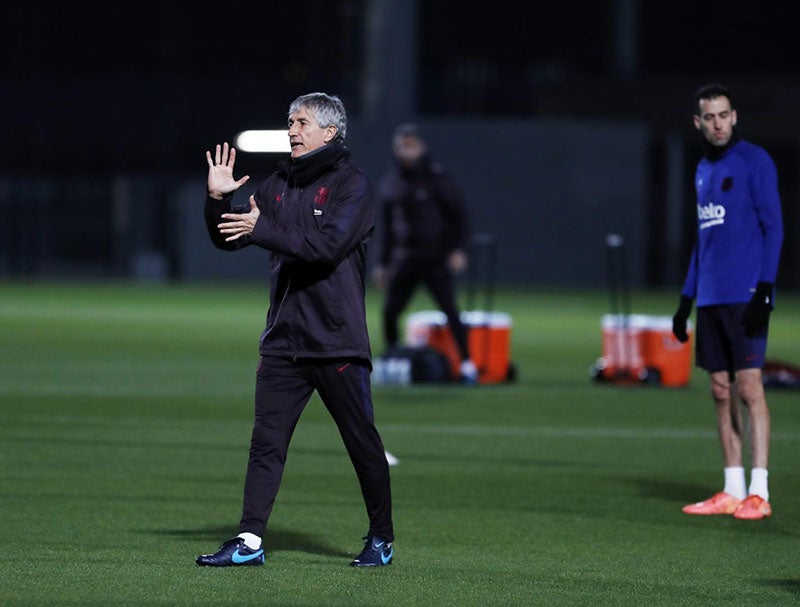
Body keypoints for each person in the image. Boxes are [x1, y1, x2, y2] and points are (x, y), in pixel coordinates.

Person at [195, 92, 394, 567]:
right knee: (266, 443)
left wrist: (263, 229)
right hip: (283, 341)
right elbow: (230, 237)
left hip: (336, 340)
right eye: (290, 121)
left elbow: (324, 248)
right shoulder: (279, 182)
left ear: (330, 132)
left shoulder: (353, 186)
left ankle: (382, 536)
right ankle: (248, 541)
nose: (292, 130)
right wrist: (217, 198)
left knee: (360, 441)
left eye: (302, 122)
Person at [672, 83, 784, 520]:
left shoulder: (755, 161)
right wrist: (685, 300)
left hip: (747, 295)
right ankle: (731, 488)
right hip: (712, 298)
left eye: (723, 115)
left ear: (734, 116)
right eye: (709, 117)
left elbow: (774, 227)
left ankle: (760, 491)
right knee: (720, 391)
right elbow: (704, 242)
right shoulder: (701, 169)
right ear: (698, 122)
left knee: (749, 387)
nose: (717, 124)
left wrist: (766, 287)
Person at [371, 123, 478, 383]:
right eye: (401, 146)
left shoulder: (437, 178)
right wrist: (383, 264)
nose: (406, 152)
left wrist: (459, 250)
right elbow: (388, 230)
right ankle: (394, 361)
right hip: (405, 260)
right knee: (390, 312)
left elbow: (459, 218)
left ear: (421, 147)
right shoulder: (392, 183)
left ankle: (467, 364)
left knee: (451, 311)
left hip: (435, 258)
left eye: (411, 146)